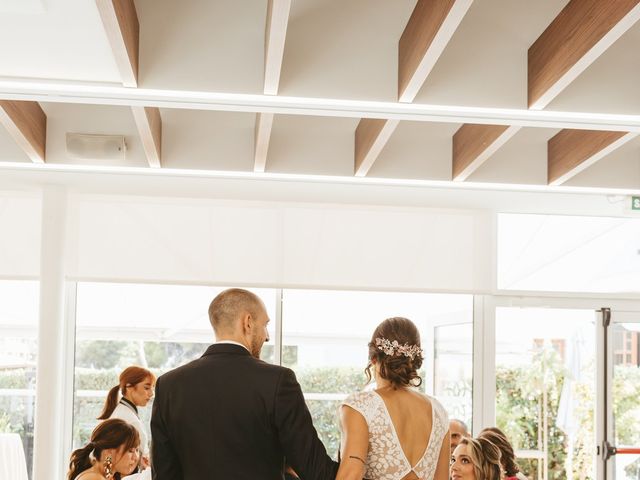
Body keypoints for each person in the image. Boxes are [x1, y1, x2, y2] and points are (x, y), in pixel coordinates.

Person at [151, 288, 338, 480]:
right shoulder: (278, 381)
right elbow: (316, 470)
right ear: (247, 322)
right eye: (265, 325)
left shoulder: (168, 385)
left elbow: (164, 472)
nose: (267, 336)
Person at [336, 317, 450, 480]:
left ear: (373, 359)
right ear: (414, 360)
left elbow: (351, 475)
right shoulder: (438, 411)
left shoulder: (361, 406)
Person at [98, 366, 156, 470]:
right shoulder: (129, 419)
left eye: (152, 388)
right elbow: (145, 459)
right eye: (147, 388)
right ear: (129, 387)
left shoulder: (121, 412)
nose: (151, 394)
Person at [67, 418, 140, 480]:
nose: (136, 457)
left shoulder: (106, 476)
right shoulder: (93, 478)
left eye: (137, 450)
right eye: (131, 451)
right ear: (109, 452)